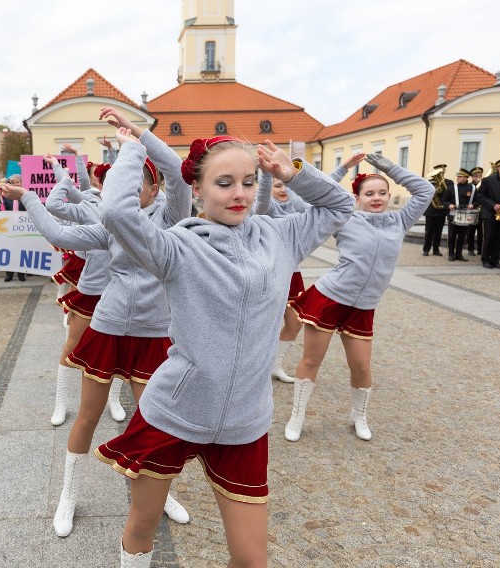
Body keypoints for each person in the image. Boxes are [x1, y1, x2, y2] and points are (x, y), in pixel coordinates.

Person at [93, 128, 354, 567]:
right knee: (142, 526)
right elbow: (117, 215)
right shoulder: (175, 246)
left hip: (244, 422)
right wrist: (134, 147)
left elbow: (340, 205)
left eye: (249, 181)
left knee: (252, 560)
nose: (240, 194)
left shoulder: (281, 237)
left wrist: (294, 174)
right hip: (174, 412)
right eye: (224, 182)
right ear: (195, 188)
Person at [0, 107, 192, 539]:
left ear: (151, 186)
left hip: (155, 333)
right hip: (108, 327)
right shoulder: (110, 226)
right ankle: (68, 494)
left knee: (155, 420)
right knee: (87, 416)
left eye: (130, 183)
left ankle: (162, 492)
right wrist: (28, 197)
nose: (116, 193)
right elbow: (59, 234)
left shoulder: (173, 218)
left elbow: (180, 176)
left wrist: (139, 137)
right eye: (114, 186)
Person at [284, 154, 433, 444]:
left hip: (363, 307)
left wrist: (389, 168)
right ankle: (297, 416)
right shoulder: (345, 217)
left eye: (382, 192)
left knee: (362, 367)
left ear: (390, 195)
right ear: (357, 197)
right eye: (369, 193)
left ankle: (358, 416)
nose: (376, 198)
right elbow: (313, 198)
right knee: (312, 359)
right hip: (331, 297)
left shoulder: (400, 220)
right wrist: (342, 168)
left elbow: (426, 190)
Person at [268, 151, 366, 383]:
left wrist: (343, 166)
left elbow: (324, 189)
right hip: (269, 271)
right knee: (264, 324)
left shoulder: (298, 206)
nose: (282, 189)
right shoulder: (265, 207)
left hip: (292, 273)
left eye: (285, 185)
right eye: (276, 185)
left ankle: (274, 364)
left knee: (294, 322)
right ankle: (257, 367)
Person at [43, 157, 121, 424]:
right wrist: (63, 175)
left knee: (117, 350)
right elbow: (55, 203)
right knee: (73, 343)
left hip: (121, 289)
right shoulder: (89, 201)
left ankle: (114, 399)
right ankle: (61, 403)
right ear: (101, 183)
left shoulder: (134, 208)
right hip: (93, 286)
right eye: (109, 180)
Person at [442, 168, 476, 262]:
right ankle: (451, 254)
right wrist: (449, 205)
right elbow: (444, 200)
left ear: (466, 177)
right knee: (452, 236)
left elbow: (478, 200)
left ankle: (459, 254)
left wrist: (473, 204)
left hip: (466, 214)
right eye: (458, 176)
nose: (458, 178)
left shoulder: (472, 188)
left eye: (460, 176)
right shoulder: (451, 188)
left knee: (462, 236)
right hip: (453, 213)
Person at [1, 173, 27, 282]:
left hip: (22, 227)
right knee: (9, 250)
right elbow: (2, 210)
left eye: (17, 182)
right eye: (13, 182)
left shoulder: (25, 195)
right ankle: (9, 274)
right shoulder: (6, 196)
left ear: (21, 183)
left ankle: (21, 274)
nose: (15, 184)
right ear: (10, 184)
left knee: (21, 250)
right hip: (9, 227)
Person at [421, 164, 451, 257]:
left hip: (442, 211)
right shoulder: (430, 182)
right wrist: (434, 191)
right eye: (439, 171)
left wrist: (442, 191)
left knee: (439, 232)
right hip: (431, 211)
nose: (441, 172)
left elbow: (450, 194)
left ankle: (436, 249)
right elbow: (424, 194)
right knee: (429, 232)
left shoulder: (449, 182)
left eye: (443, 170)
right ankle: (426, 249)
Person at [466, 166, 484, 256]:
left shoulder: (484, 185)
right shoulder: (469, 186)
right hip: (472, 211)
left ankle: (481, 250)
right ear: (472, 177)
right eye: (476, 176)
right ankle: (470, 249)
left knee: (481, 232)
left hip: (482, 212)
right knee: (471, 231)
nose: (478, 177)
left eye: (480, 175)